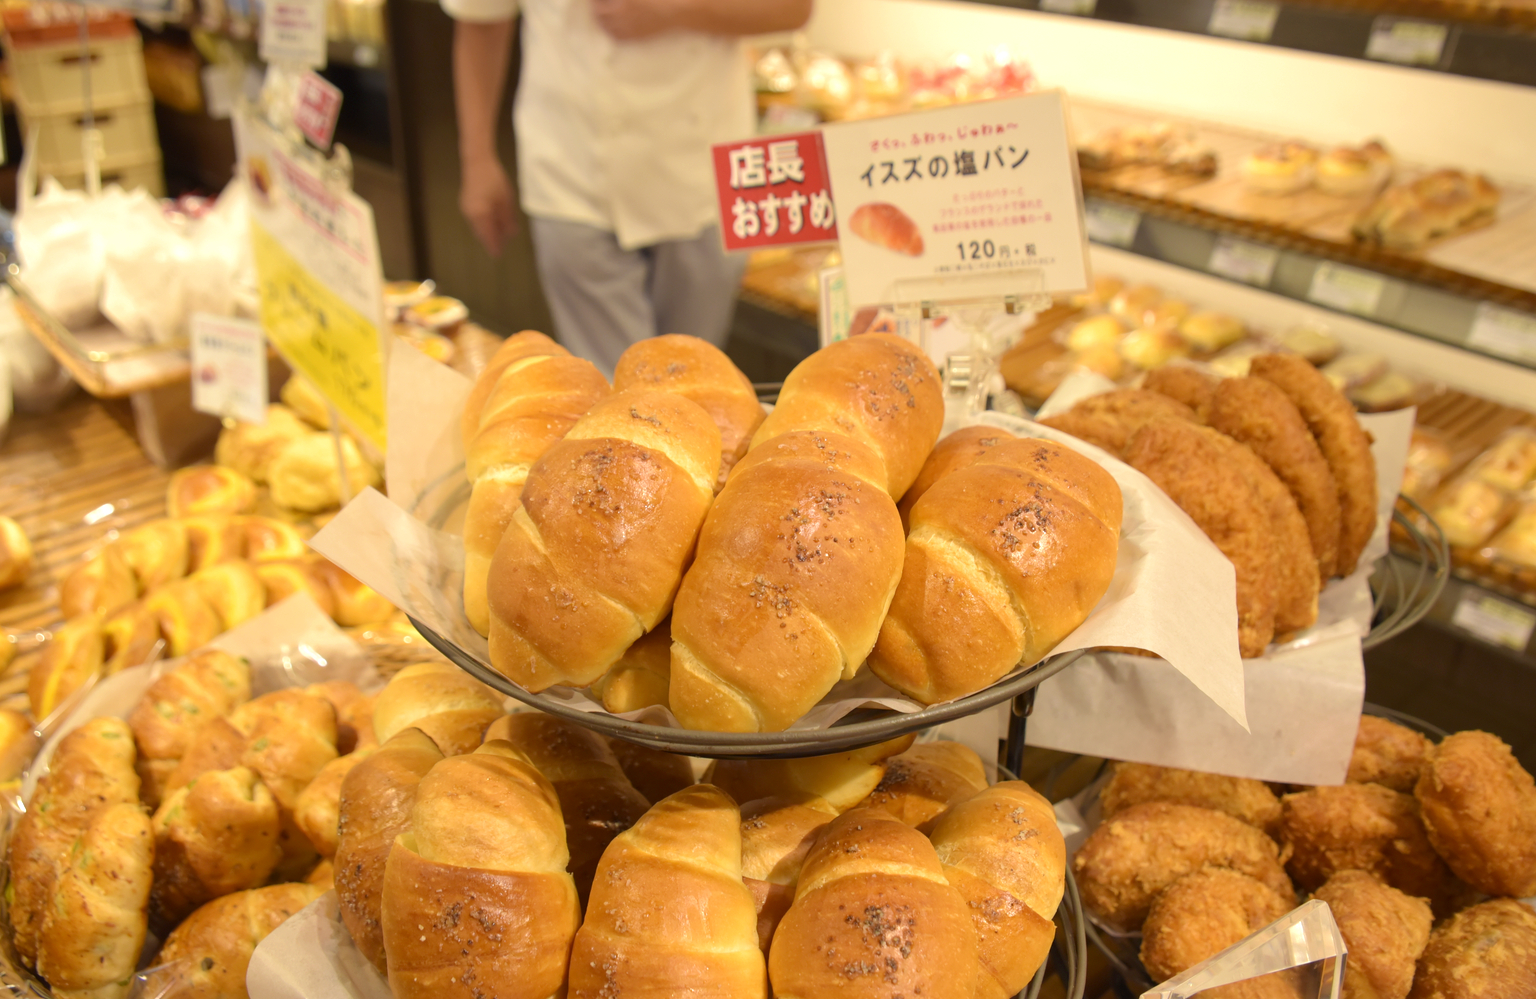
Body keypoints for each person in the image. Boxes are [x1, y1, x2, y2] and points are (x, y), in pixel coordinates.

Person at [445, 0, 813, 374]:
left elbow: (794, 8)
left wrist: (672, 9)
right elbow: (481, 20)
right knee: (611, 385)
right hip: (570, 170)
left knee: (690, 378)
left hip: (705, 175)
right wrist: (476, 159)